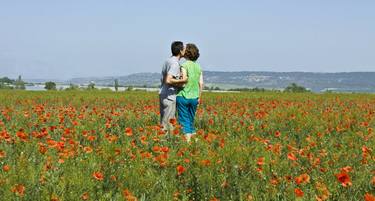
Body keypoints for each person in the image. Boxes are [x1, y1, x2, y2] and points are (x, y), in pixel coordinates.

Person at [176, 43, 203, 142]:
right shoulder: (198, 67)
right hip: (194, 97)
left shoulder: (184, 65)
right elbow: (201, 83)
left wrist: (175, 85)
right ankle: (195, 142)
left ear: (186, 54)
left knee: (184, 121)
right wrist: (199, 97)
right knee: (191, 121)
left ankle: (187, 144)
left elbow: (183, 81)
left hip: (183, 96)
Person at [159, 41, 187, 132]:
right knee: (168, 123)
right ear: (180, 51)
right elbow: (168, 80)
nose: (185, 50)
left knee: (164, 121)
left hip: (164, 93)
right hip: (169, 96)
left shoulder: (168, 60)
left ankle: (163, 142)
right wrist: (182, 81)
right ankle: (165, 143)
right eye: (184, 48)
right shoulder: (175, 64)